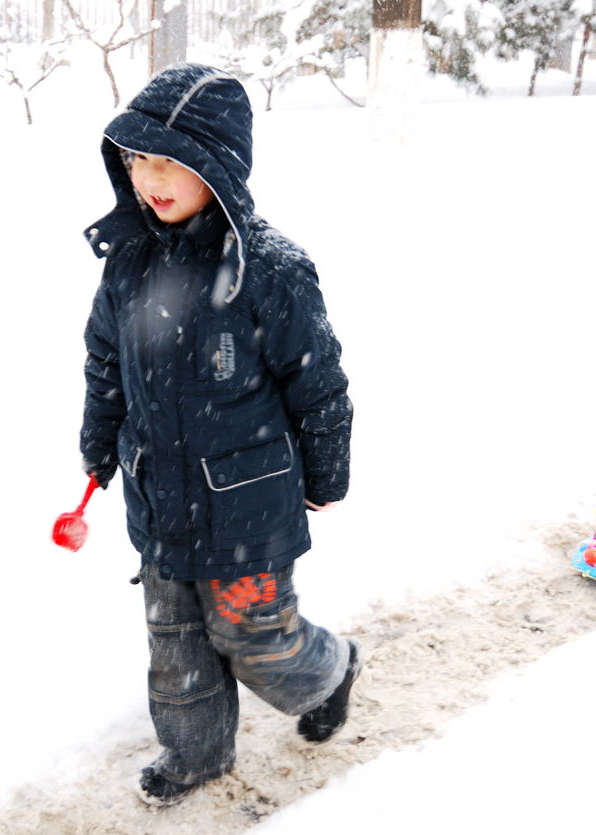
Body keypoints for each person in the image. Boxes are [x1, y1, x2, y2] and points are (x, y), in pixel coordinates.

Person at [78, 64, 358, 807]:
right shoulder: (131, 264)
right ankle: (195, 752)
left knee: (255, 639)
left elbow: (320, 384)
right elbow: (106, 361)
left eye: (172, 161)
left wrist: (326, 476)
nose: (151, 179)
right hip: (161, 506)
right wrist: (98, 444)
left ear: (219, 166)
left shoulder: (270, 270)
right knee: (176, 651)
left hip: (248, 513)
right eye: (138, 159)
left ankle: (330, 669)